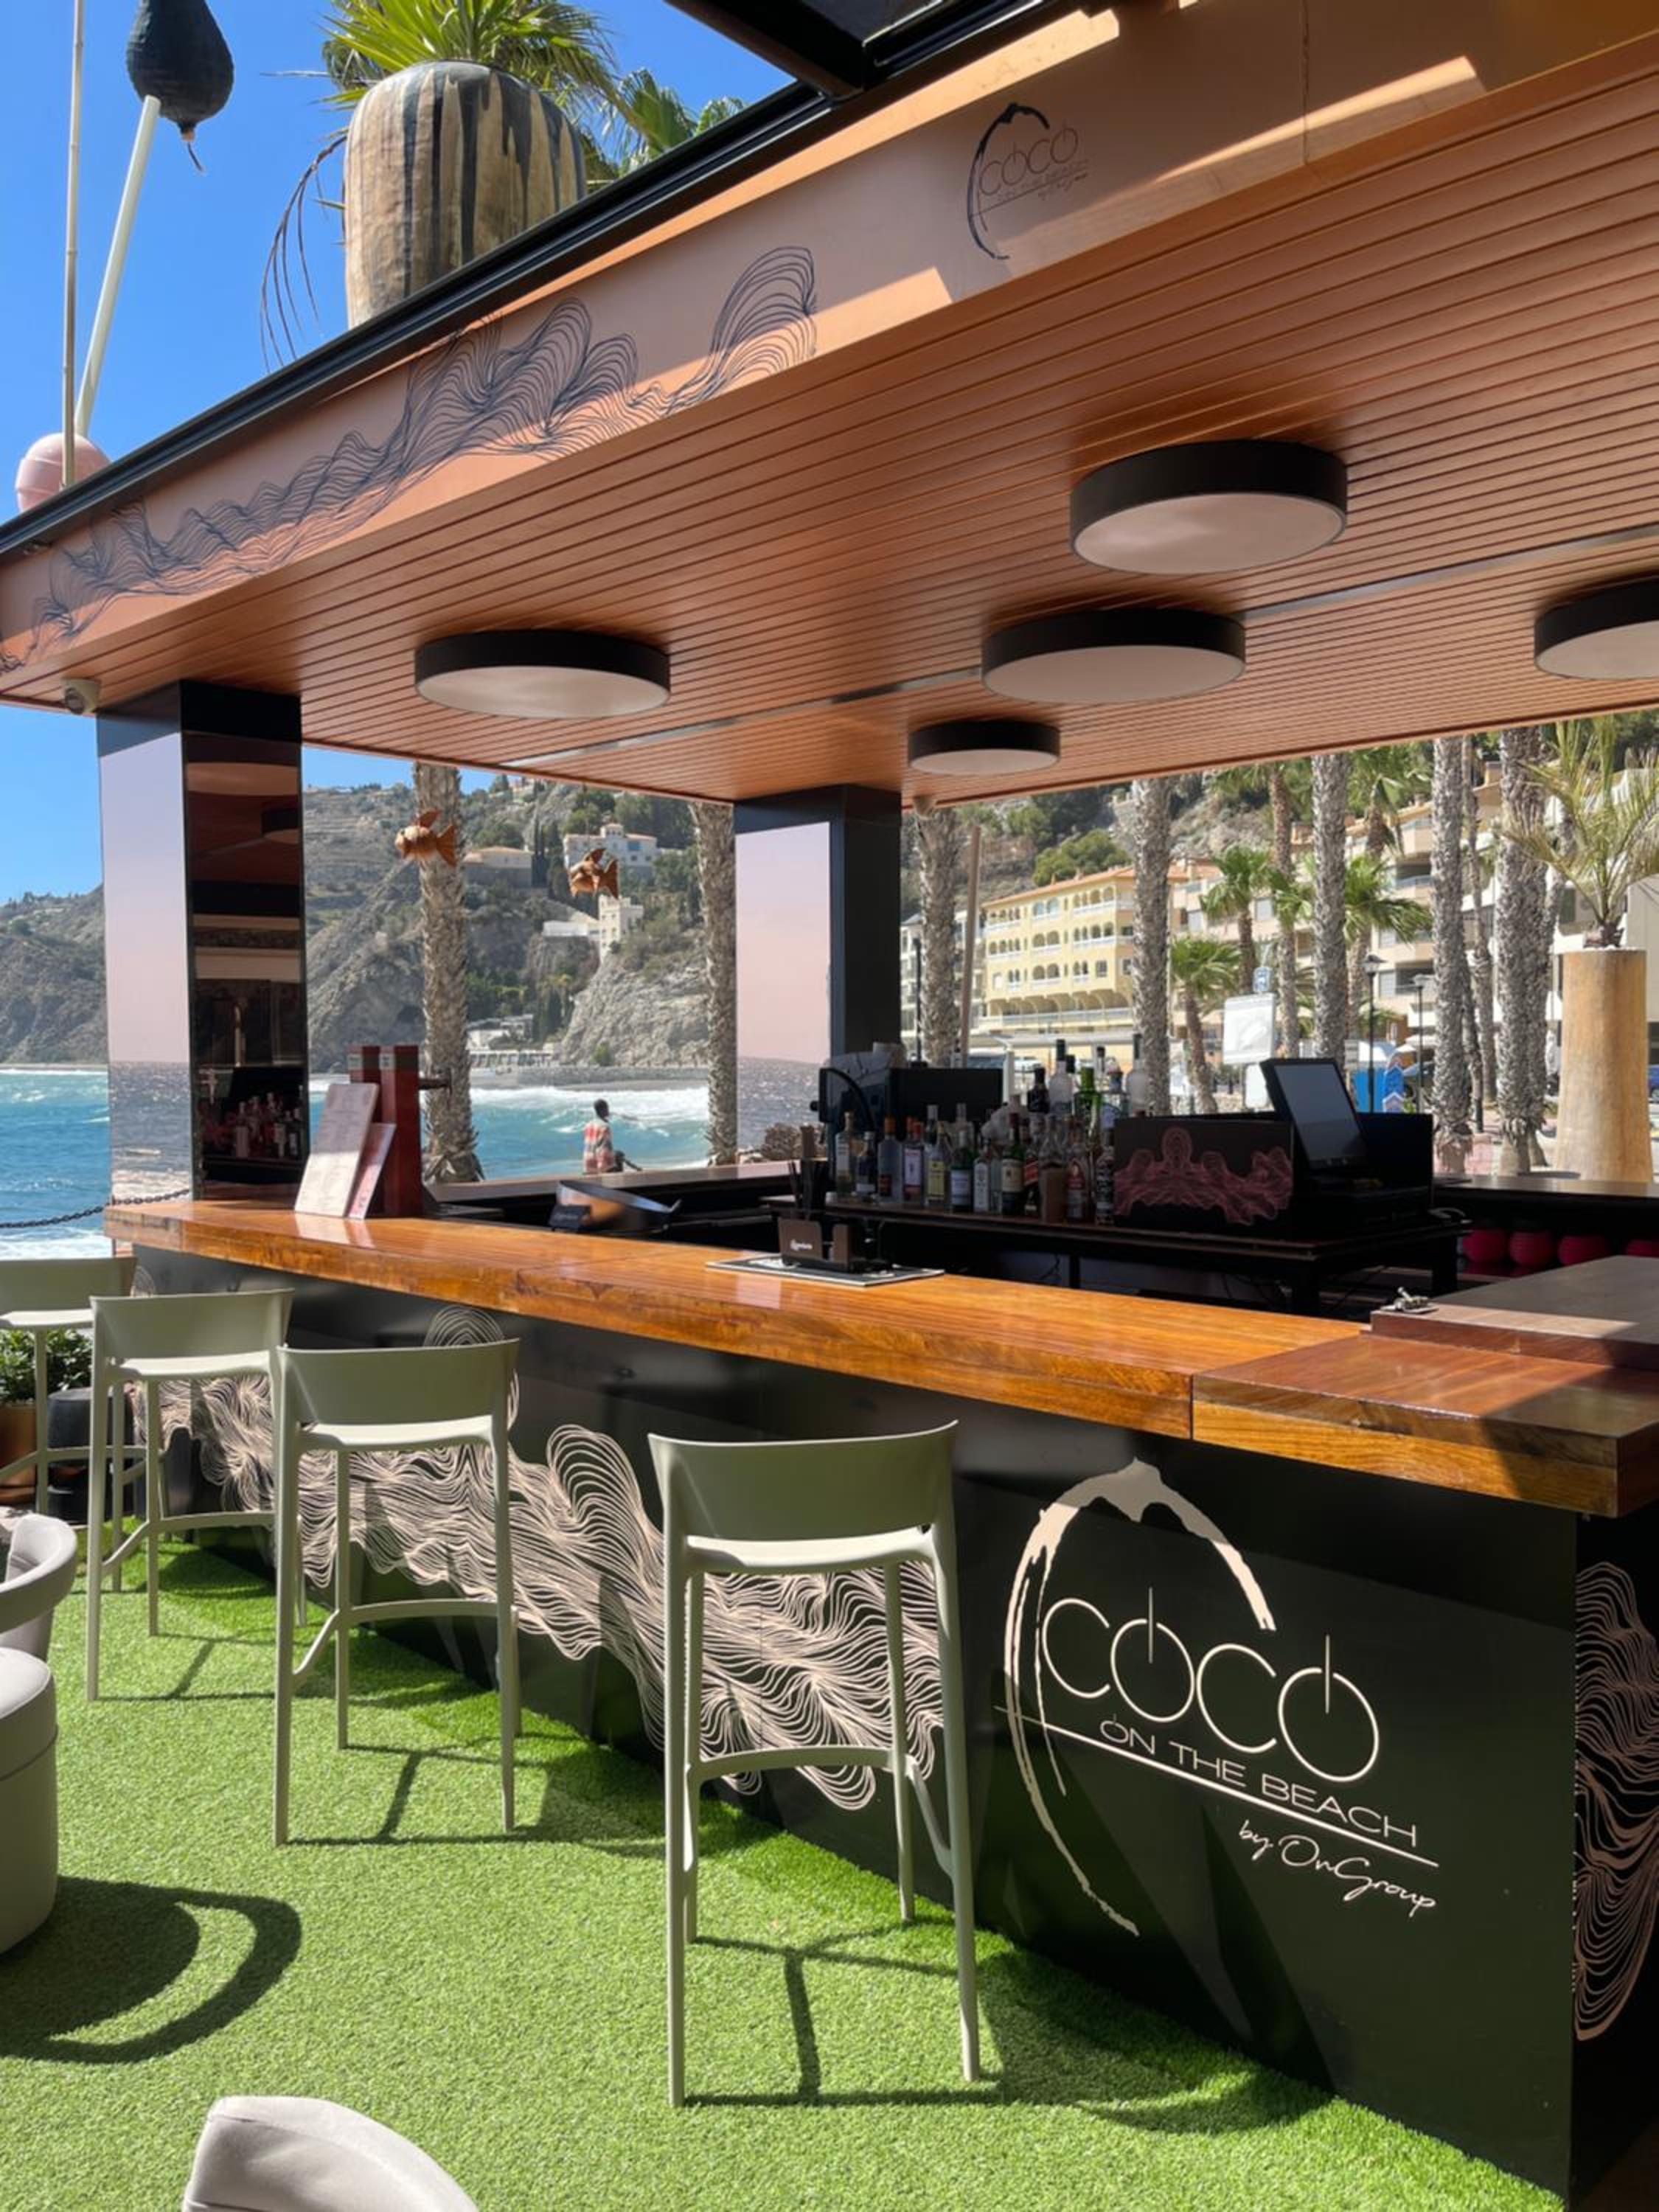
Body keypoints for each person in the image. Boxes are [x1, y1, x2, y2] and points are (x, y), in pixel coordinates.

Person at [582, 1099, 617, 1173]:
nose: (608, 1111)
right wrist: (609, 1166)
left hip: (587, 1165)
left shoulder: (588, 1125)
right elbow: (604, 1149)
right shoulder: (604, 1127)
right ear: (602, 1110)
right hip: (599, 1166)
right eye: (607, 1108)